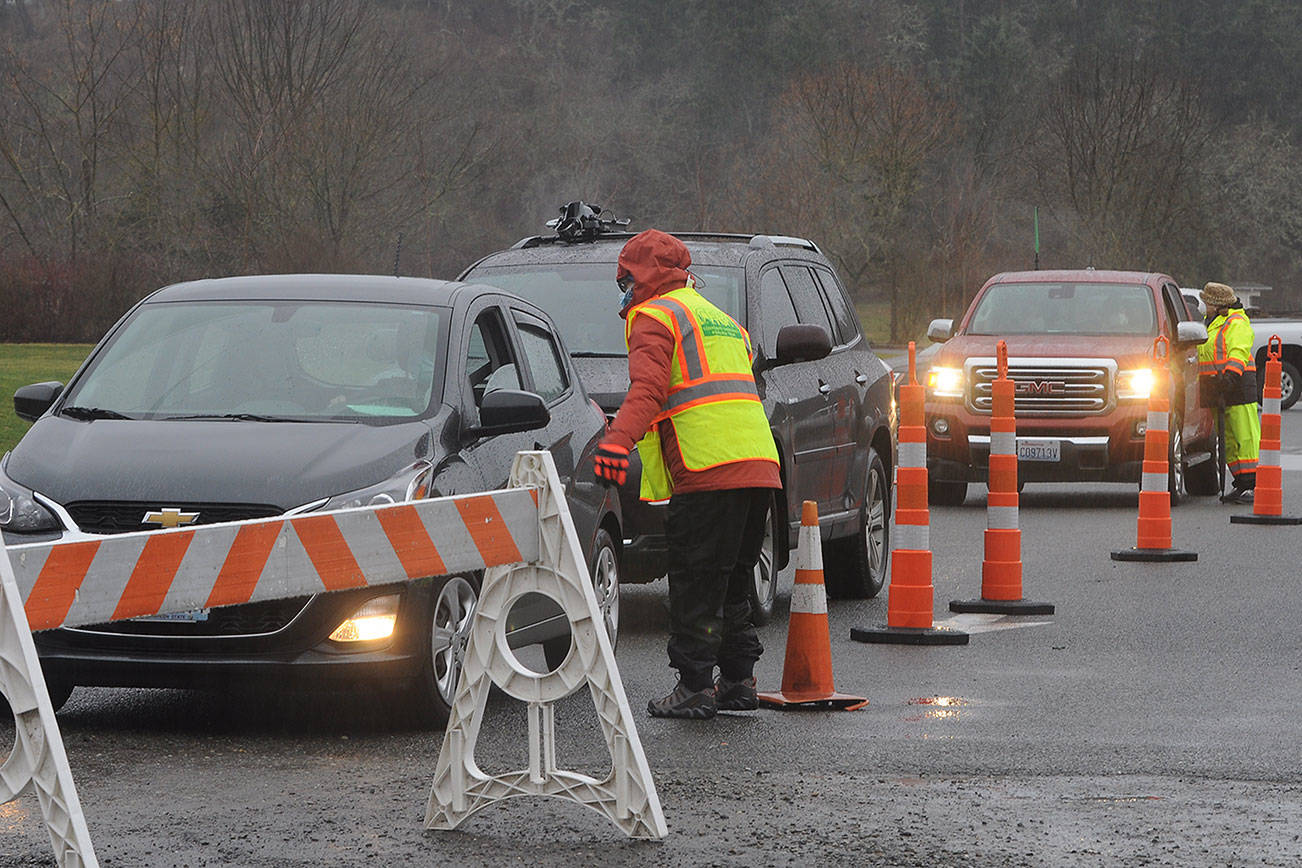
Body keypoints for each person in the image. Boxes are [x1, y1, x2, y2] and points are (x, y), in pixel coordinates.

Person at [592, 229, 782, 719]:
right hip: (759, 464)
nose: (623, 289)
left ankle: (695, 685)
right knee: (733, 578)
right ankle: (738, 680)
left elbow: (649, 390)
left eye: (625, 278)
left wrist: (617, 440)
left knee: (696, 577)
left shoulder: (653, 316)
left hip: (708, 465)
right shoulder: (720, 319)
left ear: (641, 276)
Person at [1197, 281, 1260, 503]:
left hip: (1237, 385)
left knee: (1244, 436)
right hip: (1218, 387)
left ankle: (1251, 485)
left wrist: (1231, 376)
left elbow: (1239, 351)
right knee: (1230, 440)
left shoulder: (1236, 322)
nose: (1203, 306)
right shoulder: (1212, 322)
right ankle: (1241, 483)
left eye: (1206, 302)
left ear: (1216, 304)